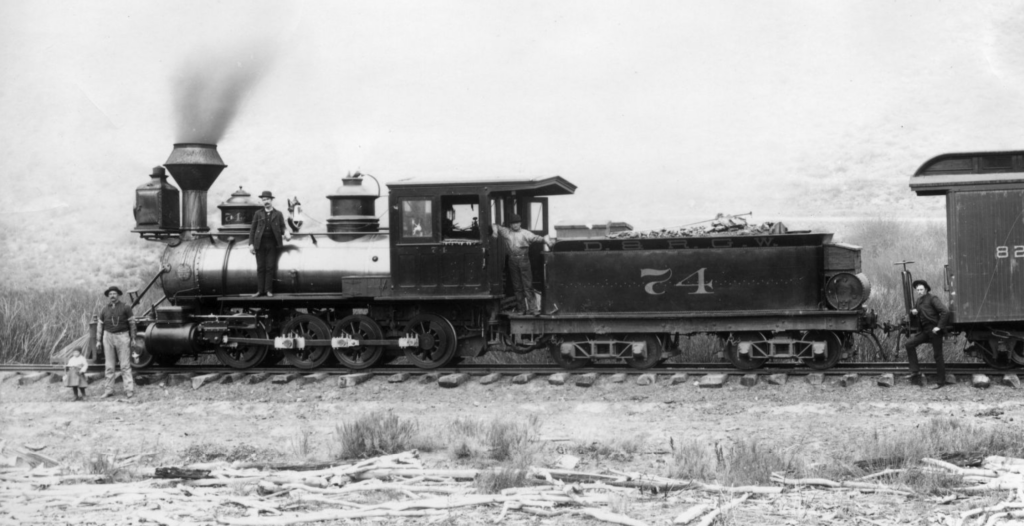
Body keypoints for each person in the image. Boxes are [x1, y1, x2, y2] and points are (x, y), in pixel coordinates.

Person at [492, 213, 554, 315]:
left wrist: (547, 240)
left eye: (517, 223)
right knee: (517, 287)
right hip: (512, 261)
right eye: (513, 223)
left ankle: (533, 309)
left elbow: (539, 238)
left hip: (524, 260)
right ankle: (521, 309)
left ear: (520, 223)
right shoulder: (506, 232)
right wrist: (495, 232)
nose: (515, 225)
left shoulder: (526, 233)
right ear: (510, 225)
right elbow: (495, 225)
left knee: (528, 286)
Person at [905, 279, 950, 389]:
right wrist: (913, 313)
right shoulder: (918, 301)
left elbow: (945, 312)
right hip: (924, 331)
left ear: (926, 289)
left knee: (937, 355)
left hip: (934, 331)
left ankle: (941, 382)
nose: (919, 291)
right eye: (917, 290)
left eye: (921, 289)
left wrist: (939, 327)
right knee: (909, 344)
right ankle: (915, 371)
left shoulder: (932, 299)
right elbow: (915, 317)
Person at [95, 286, 137, 399]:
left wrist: (133, 338)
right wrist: (98, 341)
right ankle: (109, 390)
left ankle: (129, 390)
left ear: (118, 295)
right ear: (108, 296)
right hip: (107, 337)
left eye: (114, 293)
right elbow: (100, 326)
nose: (112, 296)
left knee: (125, 365)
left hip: (122, 336)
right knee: (109, 366)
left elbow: (132, 324)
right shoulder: (104, 309)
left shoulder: (126, 307)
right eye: (110, 294)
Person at [248, 190, 290, 297]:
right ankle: (259, 291)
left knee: (270, 267)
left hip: (272, 244)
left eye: (267, 199)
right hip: (259, 244)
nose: (265, 202)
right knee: (260, 268)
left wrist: (286, 232)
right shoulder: (258, 214)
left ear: (271, 200)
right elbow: (252, 230)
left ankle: (268, 291)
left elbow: (282, 227)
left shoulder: (278, 214)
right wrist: (251, 244)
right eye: (263, 200)